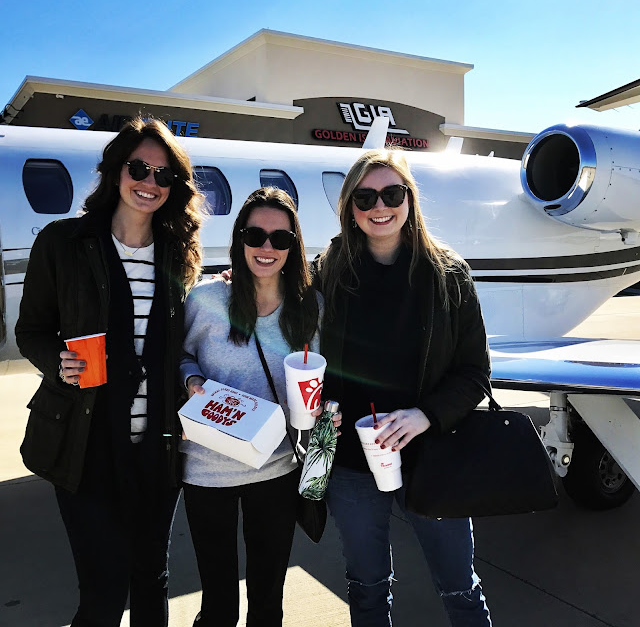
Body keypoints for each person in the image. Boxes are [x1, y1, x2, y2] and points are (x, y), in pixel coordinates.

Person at [15, 117, 205, 627]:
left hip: (158, 447)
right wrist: (59, 362)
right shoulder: (64, 242)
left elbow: (180, 340)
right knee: (103, 589)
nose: (150, 183)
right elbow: (31, 330)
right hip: (86, 445)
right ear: (116, 170)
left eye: (164, 175)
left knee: (151, 580)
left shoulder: (177, 253)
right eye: (138, 168)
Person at [315, 148, 492, 626]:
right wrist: (235, 284)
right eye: (365, 197)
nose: (380, 206)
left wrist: (425, 416)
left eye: (392, 194)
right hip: (350, 462)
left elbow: (475, 372)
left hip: (431, 457)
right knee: (367, 588)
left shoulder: (448, 274)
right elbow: (279, 309)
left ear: (410, 199)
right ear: (350, 206)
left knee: (460, 587)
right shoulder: (327, 271)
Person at [180, 186, 341, 627]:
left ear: (294, 246)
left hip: (277, 468)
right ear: (240, 239)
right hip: (207, 469)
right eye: (255, 235)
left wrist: (327, 411)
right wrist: (191, 380)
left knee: (268, 602)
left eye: (281, 238)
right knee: (218, 605)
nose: (267, 248)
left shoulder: (311, 308)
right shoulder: (205, 299)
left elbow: (323, 379)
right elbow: (180, 355)